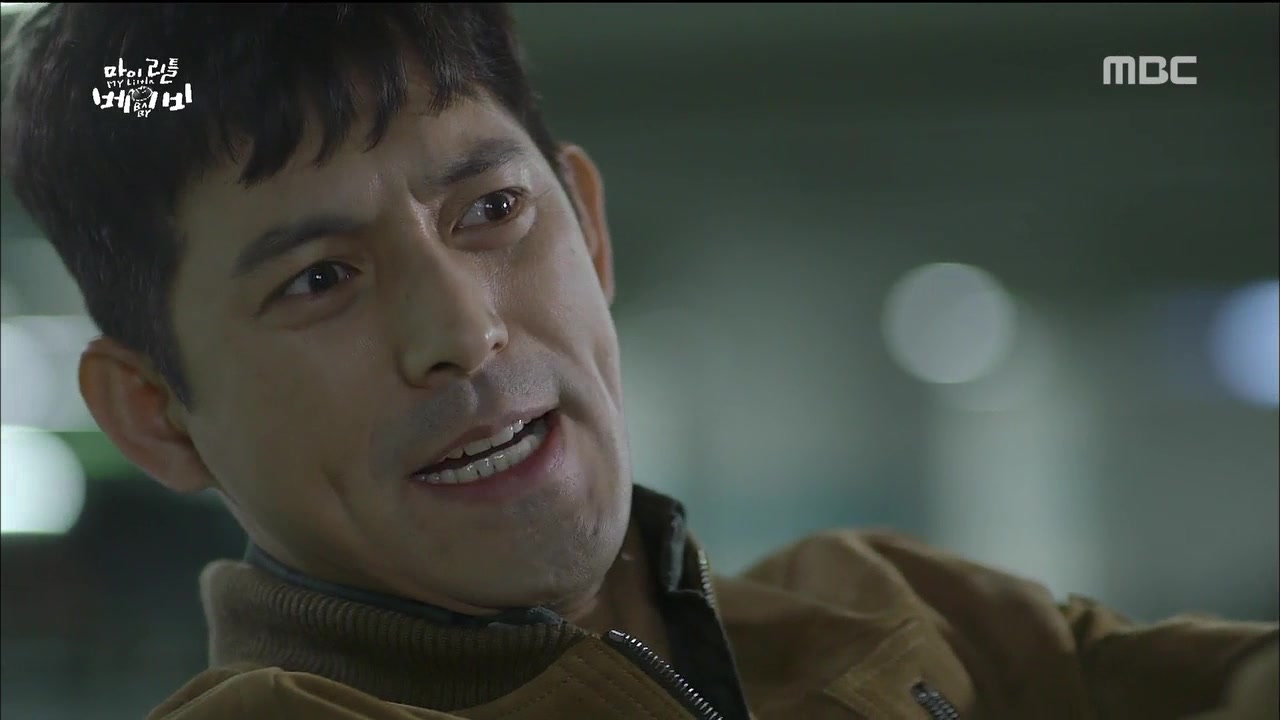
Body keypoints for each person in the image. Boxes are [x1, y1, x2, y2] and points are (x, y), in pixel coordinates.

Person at [2, 5, 1275, 719]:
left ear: (591, 230)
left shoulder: (890, 610)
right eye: (319, 280)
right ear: (156, 413)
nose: (460, 333)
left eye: (491, 212)